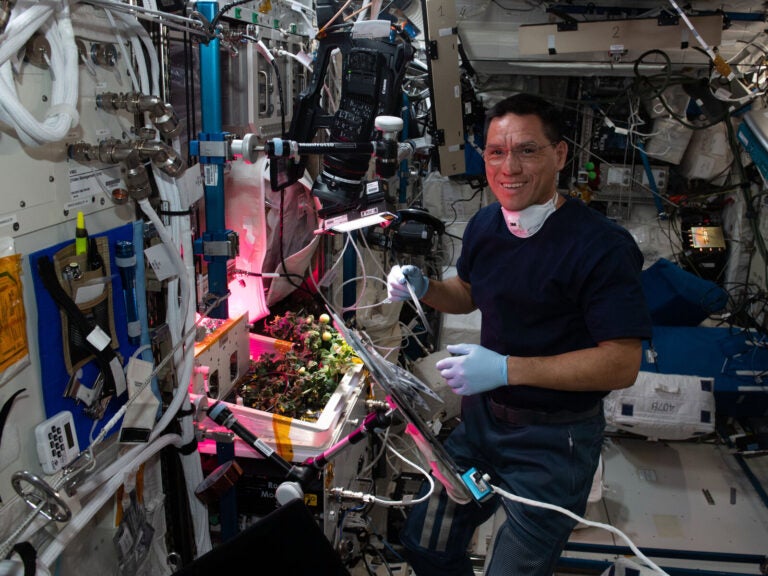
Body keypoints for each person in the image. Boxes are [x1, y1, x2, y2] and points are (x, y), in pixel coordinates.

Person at [386, 93, 652, 576]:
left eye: (527, 150)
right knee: (426, 542)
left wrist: (506, 369)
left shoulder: (603, 248)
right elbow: (467, 292)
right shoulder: (487, 224)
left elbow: (621, 362)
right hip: (482, 426)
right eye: (496, 152)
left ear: (560, 155)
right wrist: (423, 288)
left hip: (554, 442)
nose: (509, 167)